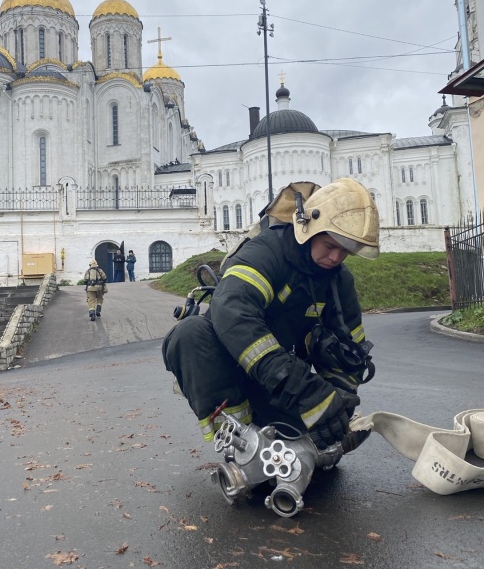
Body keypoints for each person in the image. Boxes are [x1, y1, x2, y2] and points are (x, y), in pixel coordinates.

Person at [162, 178, 379, 450]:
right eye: (329, 246)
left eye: (345, 251)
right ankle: (240, 446)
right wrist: (302, 388)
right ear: (308, 229)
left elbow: (350, 354)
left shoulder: (338, 283)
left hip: (282, 392)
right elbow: (233, 313)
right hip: (241, 376)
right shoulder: (266, 253)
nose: (336, 258)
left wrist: (335, 407)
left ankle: (309, 446)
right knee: (189, 333)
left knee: (315, 446)